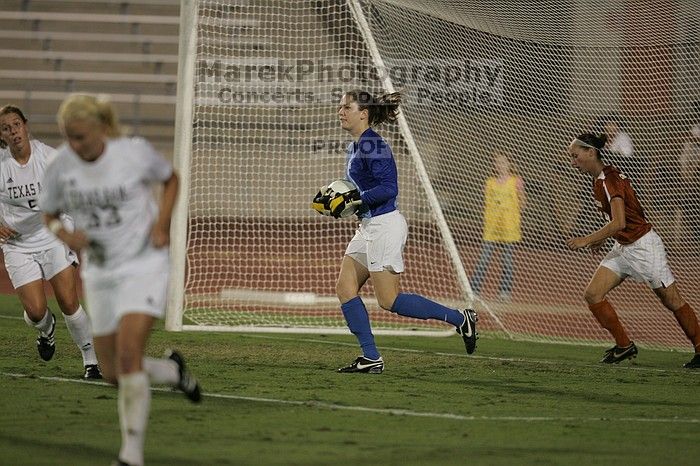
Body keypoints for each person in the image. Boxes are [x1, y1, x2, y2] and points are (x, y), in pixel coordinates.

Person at [39, 94, 202, 466]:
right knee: (114, 372)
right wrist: (63, 234)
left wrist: (162, 225)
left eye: (80, 136)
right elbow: (48, 213)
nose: (74, 145)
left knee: (128, 356)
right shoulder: (61, 164)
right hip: (100, 271)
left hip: (144, 263)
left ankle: (130, 456)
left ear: (100, 129)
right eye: (68, 136)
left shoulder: (132, 152)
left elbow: (170, 179)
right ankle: (172, 371)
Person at [327, 89, 477, 374]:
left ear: (364, 113)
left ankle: (460, 319)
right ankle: (371, 357)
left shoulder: (373, 144)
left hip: (385, 227)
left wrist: (356, 200)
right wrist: (343, 204)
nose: (341, 111)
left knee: (389, 301)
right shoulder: (355, 146)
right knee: (345, 289)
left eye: (347, 107)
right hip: (369, 226)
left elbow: (389, 189)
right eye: (340, 107)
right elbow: (362, 192)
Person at [566, 132, 700, 368]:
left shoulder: (610, 180)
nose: (573, 162)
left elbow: (619, 223)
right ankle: (624, 345)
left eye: (575, 156)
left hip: (644, 247)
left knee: (672, 300)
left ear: (591, 152)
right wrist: (602, 239)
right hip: (624, 247)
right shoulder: (599, 180)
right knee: (593, 294)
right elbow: (616, 222)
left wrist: (587, 239)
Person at [0, 104, 101, 379]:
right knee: (35, 311)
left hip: (52, 234)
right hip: (18, 245)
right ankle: (46, 329)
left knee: (69, 301)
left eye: (16, 125)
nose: (13, 131)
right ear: (2, 135)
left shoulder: (48, 158)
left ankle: (91, 361)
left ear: (26, 125)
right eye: (6, 128)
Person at [471, 151, 526, 302]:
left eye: (503, 162)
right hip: (492, 227)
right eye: (497, 162)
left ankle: (505, 292)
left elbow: (522, 202)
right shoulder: (490, 183)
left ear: (509, 164)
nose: (500, 165)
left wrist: (512, 217)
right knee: (484, 258)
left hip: (509, 227)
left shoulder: (516, 181)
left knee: (507, 261)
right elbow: (487, 204)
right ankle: (474, 289)